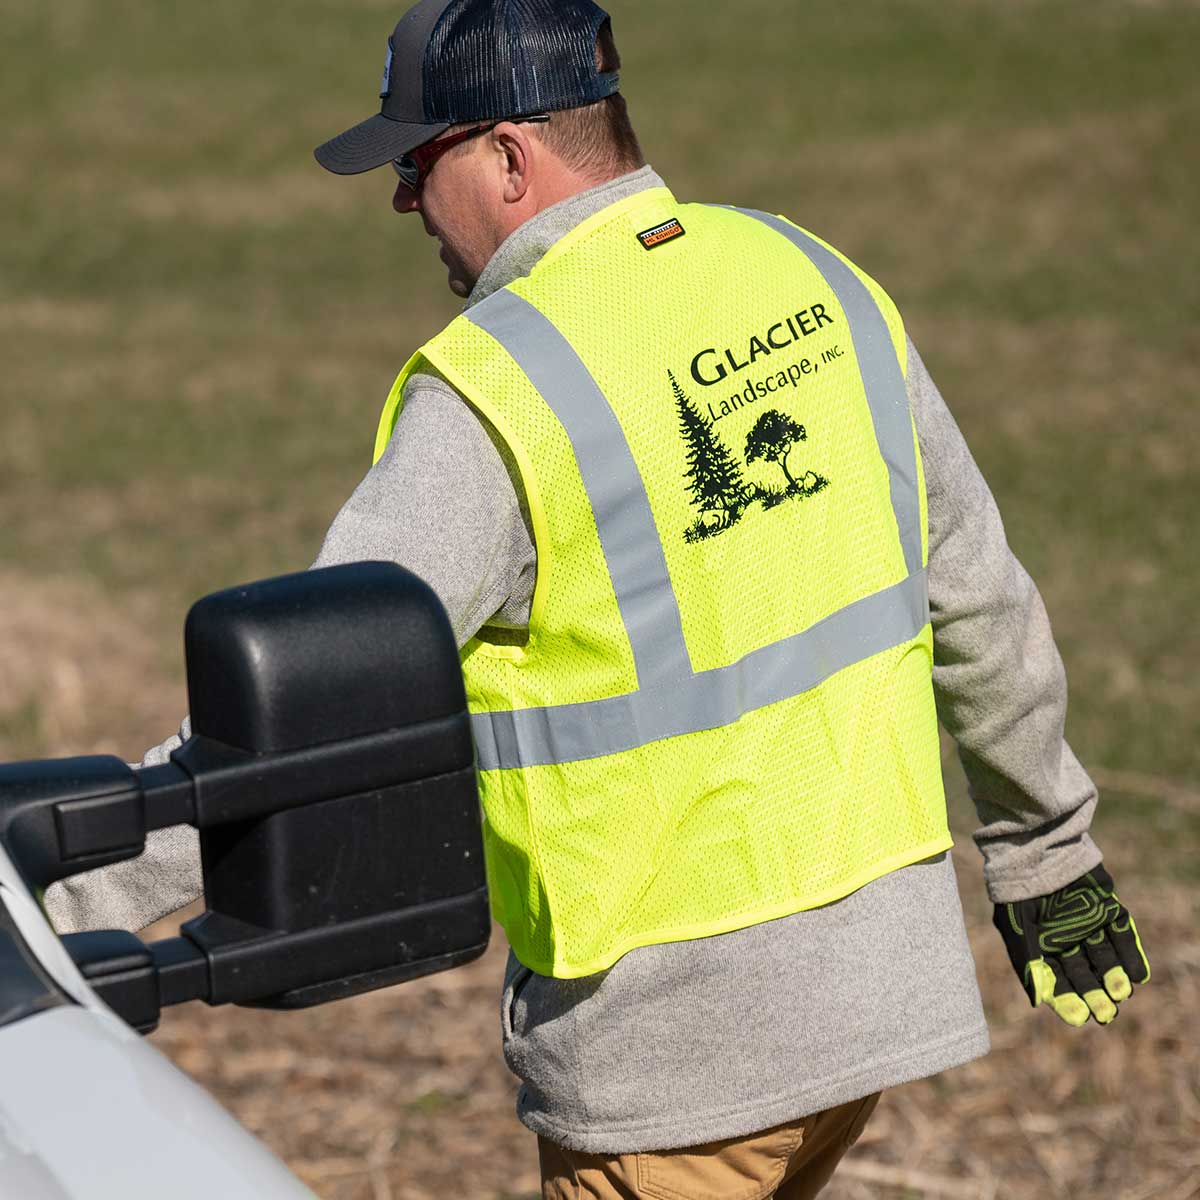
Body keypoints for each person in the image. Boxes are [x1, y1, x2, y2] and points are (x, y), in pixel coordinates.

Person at [45, 2, 1151, 1197]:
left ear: (510, 155)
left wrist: (50, 899)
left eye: (419, 164)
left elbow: (302, 717)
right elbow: (980, 594)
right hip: (871, 1018)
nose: (402, 202)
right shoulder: (810, 274)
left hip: (674, 1064)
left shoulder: (499, 390)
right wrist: (1047, 854)